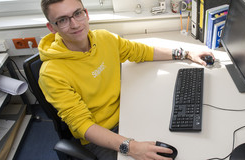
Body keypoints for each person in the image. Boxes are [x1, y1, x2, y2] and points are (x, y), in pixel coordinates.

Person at [38, 0, 214, 159]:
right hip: (102, 135)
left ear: (86, 13)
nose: (75, 24)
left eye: (77, 13)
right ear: (52, 27)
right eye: (62, 20)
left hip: (128, 111)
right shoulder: (51, 73)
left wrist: (186, 53)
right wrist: (131, 147)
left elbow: (141, 51)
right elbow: (83, 126)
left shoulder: (104, 38)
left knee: (187, 140)